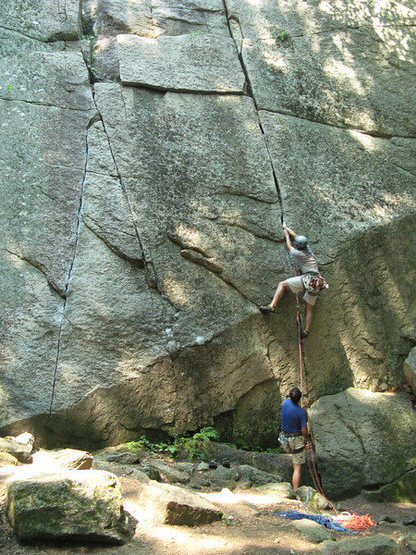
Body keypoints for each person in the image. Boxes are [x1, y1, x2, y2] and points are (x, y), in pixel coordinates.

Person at [260, 223, 328, 338]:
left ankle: (272, 306)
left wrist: (286, 235)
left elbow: (289, 246)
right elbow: (296, 236)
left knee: (282, 284)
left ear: (299, 246)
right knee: (309, 308)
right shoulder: (308, 250)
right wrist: (286, 228)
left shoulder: (299, 253)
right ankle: (306, 331)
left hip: (307, 279)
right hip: (317, 282)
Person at [279, 387, 309, 491]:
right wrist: (306, 439)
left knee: (292, 454)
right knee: (297, 468)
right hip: (295, 441)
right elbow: (304, 430)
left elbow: (288, 397)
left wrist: (296, 394)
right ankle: (295, 491)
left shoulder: (285, 403)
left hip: (284, 439)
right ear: (299, 399)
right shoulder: (301, 412)